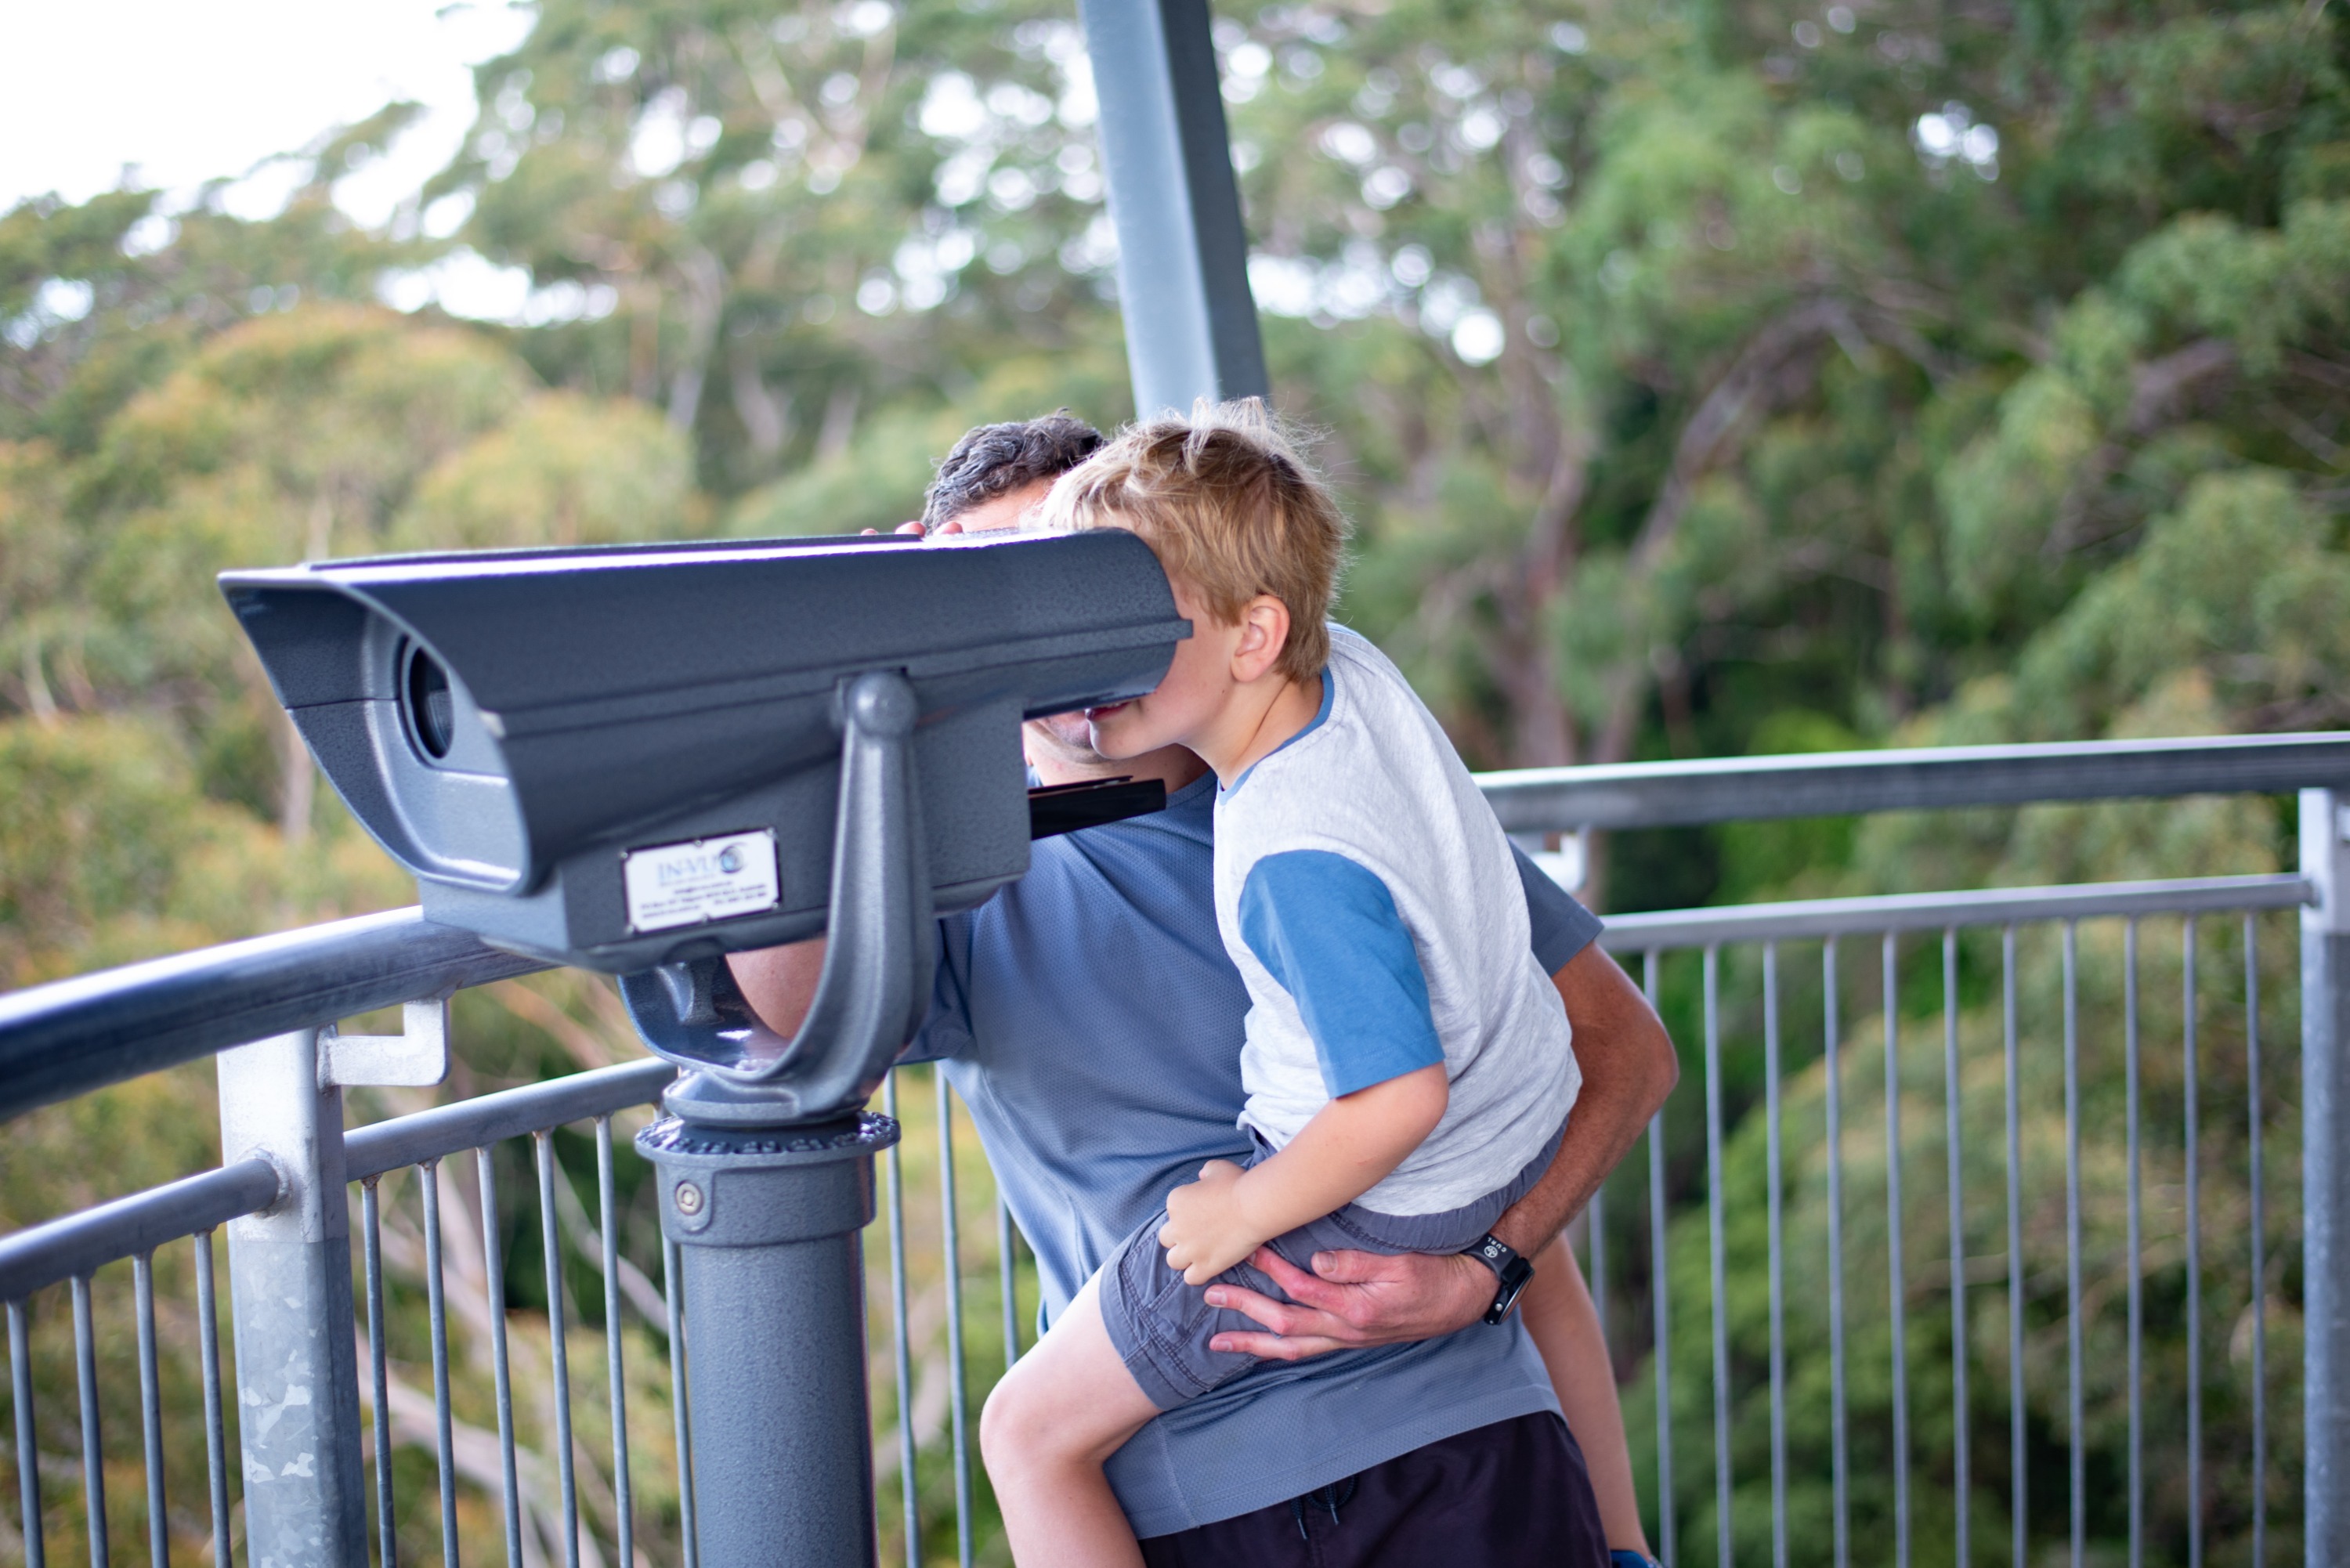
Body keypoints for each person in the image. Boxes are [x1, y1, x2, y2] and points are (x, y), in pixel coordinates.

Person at [731, 413, 1676, 1566]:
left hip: (1467, 1433)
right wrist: (855, 706)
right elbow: (784, 1019)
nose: (1049, 636)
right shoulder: (956, 851)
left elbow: (1612, 1049)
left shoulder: (1320, 796)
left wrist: (1490, 1270)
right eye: (995, 589)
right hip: (1206, 1487)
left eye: (1081, 576)